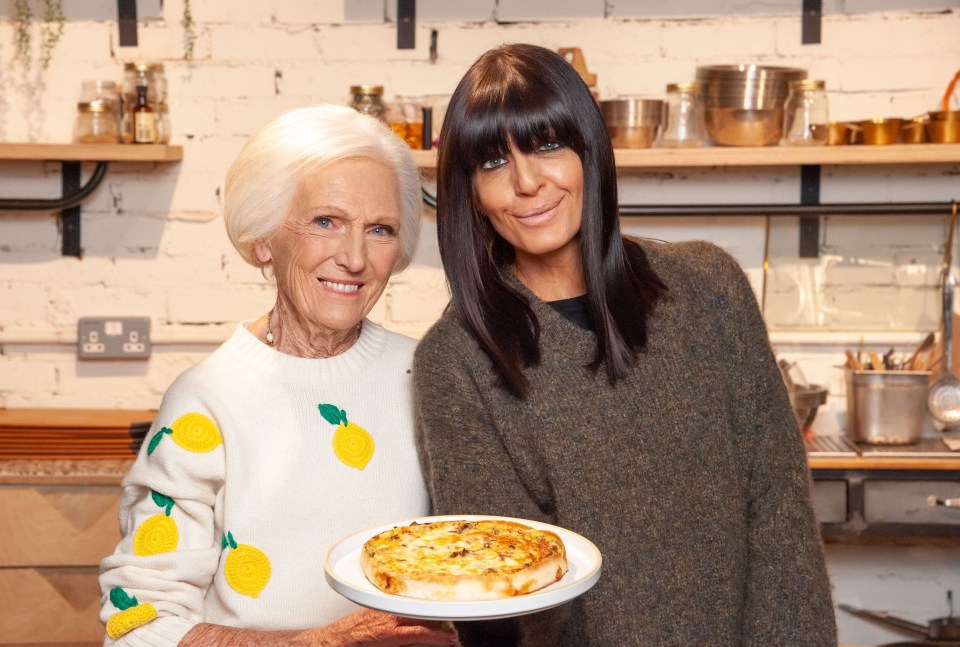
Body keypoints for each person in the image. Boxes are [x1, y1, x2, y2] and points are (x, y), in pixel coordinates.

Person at [412, 43, 837, 646]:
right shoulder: (456, 361)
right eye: (492, 163)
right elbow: (507, 597)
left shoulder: (710, 288)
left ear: (591, 150)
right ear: (471, 194)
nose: (527, 182)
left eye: (547, 145)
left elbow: (778, 512)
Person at [99, 105, 456, 647]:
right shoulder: (206, 400)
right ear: (264, 238)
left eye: (379, 229)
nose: (355, 258)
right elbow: (139, 623)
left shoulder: (428, 376)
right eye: (325, 222)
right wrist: (317, 644)